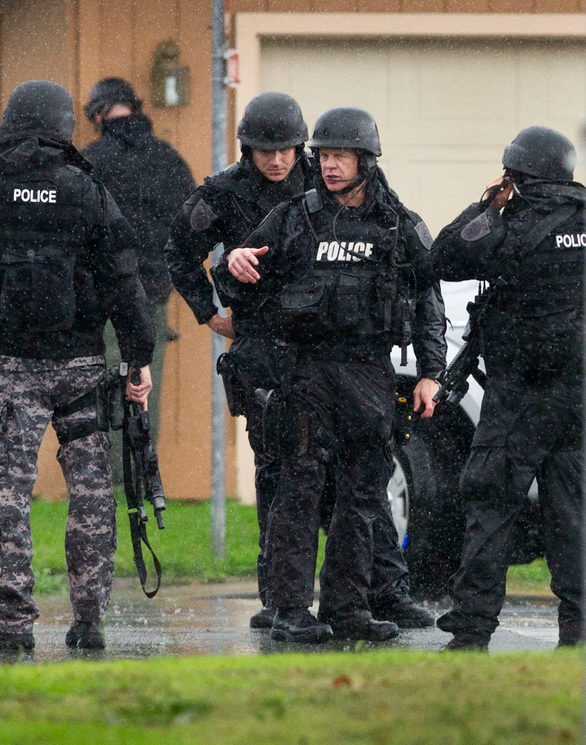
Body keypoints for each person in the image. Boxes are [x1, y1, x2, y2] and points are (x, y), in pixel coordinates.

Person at [166, 94, 435, 634]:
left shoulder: (375, 207)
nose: (281, 161)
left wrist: (431, 367)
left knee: (363, 485)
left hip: (361, 366)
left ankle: (365, 599)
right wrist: (216, 301)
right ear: (248, 149)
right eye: (267, 151)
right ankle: (285, 604)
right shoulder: (261, 206)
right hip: (284, 358)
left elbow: (423, 282)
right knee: (292, 480)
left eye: (291, 150)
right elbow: (184, 252)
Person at [0, 81, 154, 652]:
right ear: (62, 126)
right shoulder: (86, 189)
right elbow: (124, 278)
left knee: (11, 495)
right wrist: (138, 358)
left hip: (11, 367)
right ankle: (89, 619)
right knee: (92, 490)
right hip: (81, 365)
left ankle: (11, 624)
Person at [431, 126, 585, 651]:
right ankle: (580, 630)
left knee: (491, 505)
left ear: (515, 176)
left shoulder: (510, 224)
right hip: (579, 398)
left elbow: (442, 257)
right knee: (573, 516)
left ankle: (472, 628)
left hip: (519, 396)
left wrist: (488, 203)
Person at [81, 78, 195, 463]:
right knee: (146, 387)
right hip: (153, 298)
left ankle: (109, 479)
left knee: (109, 385)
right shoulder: (168, 159)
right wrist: (165, 279)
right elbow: (192, 227)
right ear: (135, 107)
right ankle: (144, 473)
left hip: (104, 298)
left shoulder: (90, 161)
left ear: (98, 114)